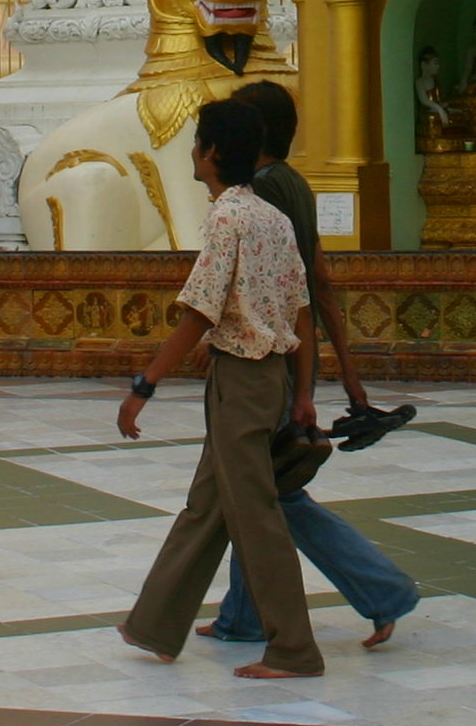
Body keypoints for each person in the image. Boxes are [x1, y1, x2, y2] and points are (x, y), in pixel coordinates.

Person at [198, 81, 419, 652]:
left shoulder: (257, 195)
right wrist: (342, 370)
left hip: (265, 357)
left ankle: (384, 589)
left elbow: (293, 283)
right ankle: (242, 617)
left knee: (274, 498)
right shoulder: (294, 184)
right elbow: (318, 278)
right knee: (259, 494)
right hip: (289, 354)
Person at [113, 96, 324, 681]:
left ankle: (294, 648)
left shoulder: (228, 218)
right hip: (268, 380)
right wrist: (303, 391)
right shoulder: (272, 219)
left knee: (254, 516)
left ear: (210, 153)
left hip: (241, 382)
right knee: (207, 506)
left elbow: (197, 314)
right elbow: (301, 312)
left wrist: (144, 385)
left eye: (196, 142)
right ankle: (154, 623)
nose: (191, 151)